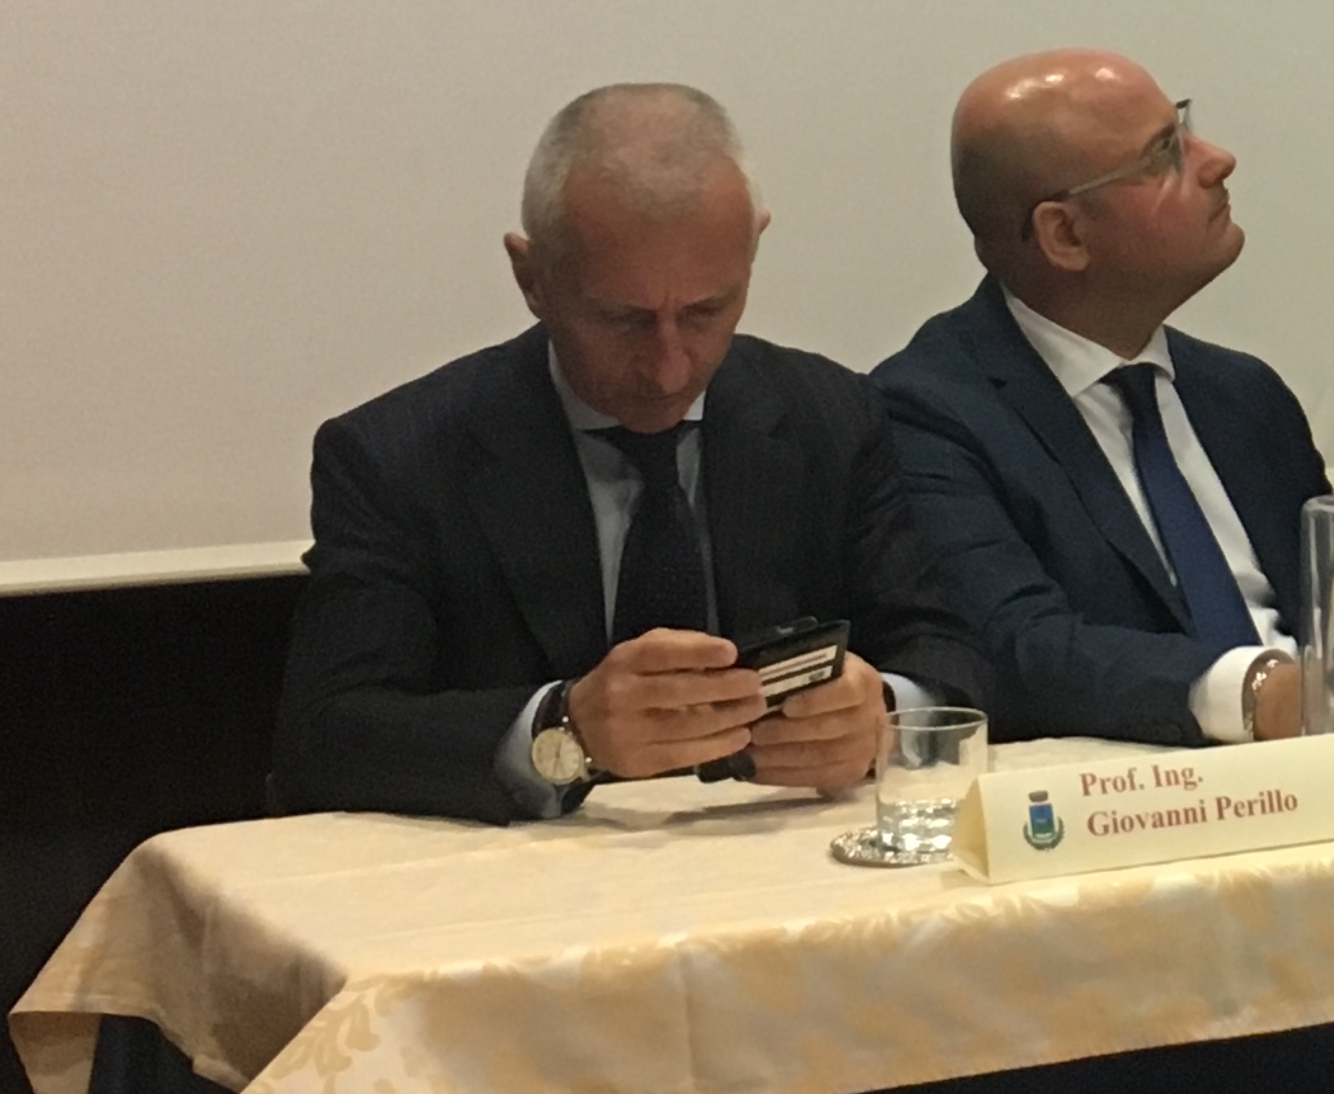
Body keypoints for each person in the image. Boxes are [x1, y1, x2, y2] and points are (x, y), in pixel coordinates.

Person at [272, 85, 987, 824]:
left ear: (754, 250)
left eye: (706, 312)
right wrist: (562, 731)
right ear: (531, 277)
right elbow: (326, 736)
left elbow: (943, 649)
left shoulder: (829, 416)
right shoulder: (400, 456)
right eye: (621, 319)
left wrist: (882, 713)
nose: (669, 368)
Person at [873, 52, 1328, 745]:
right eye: (1164, 154)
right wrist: (1259, 692)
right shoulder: (927, 415)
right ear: (1065, 234)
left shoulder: (1244, 396)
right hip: (1133, 789)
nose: (1218, 161)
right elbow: (1019, 649)